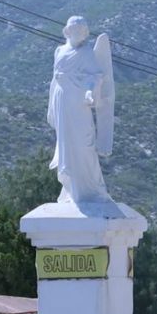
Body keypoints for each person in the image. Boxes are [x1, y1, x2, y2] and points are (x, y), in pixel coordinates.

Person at [46, 15, 114, 204]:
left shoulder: (86, 53)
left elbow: (96, 76)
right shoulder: (59, 51)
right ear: (67, 31)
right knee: (66, 144)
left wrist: (91, 92)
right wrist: (51, 106)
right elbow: (54, 80)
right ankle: (70, 189)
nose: (79, 34)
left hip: (79, 102)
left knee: (84, 144)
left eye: (82, 31)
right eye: (75, 30)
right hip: (62, 100)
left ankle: (92, 188)